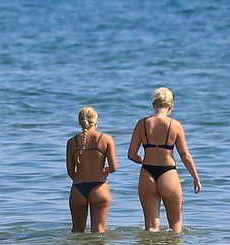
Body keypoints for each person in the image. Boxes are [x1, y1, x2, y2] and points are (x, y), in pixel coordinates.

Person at [127, 87, 202, 233]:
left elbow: (131, 155)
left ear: (153, 105)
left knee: (151, 227)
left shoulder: (142, 124)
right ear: (171, 106)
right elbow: (185, 155)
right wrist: (195, 177)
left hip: (147, 173)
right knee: (175, 225)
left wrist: (144, 160)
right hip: (168, 174)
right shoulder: (175, 125)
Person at [66, 106, 118, 233]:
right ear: (96, 121)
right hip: (99, 188)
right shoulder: (106, 139)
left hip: (78, 189)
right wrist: (105, 172)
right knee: (98, 232)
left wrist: (80, 178)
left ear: (80, 122)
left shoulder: (72, 142)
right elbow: (113, 167)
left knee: (77, 232)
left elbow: (70, 172)